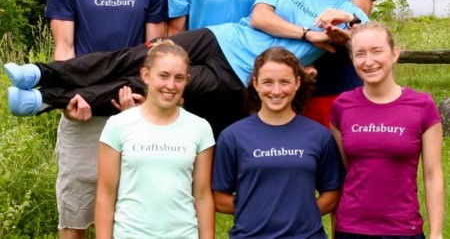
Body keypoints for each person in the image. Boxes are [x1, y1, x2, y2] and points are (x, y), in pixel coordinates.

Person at [6, 0, 368, 136]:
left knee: (152, 85)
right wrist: (308, 33)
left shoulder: (349, 12)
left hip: (239, 76)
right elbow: (260, 17)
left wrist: (339, 28)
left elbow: (365, 41)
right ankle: (38, 71)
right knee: (134, 56)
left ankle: (42, 100)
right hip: (218, 36)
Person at [41, 0, 167, 239]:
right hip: (82, 111)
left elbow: (153, 52)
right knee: (75, 215)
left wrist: (145, 101)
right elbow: (63, 49)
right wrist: (68, 101)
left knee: (135, 215)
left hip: (134, 112)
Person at [212, 46, 345, 238]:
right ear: (256, 84)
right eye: (267, 82)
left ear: (297, 83)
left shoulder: (319, 135)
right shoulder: (232, 136)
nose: (276, 91)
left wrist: (301, 213)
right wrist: (260, 210)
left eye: (284, 82)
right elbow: (219, 198)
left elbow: (332, 194)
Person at [330, 21, 444, 239]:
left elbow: (432, 175)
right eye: (360, 53)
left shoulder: (422, 106)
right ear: (352, 59)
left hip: (404, 229)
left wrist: (436, 233)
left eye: (377, 51)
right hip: (351, 229)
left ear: (394, 54)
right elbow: (346, 170)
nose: (369, 61)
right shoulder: (341, 107)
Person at [95, 40, 215, 239]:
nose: (171, 85)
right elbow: (105, 194)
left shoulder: (200, 128)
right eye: (163, 76)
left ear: (187, 80)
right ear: (146, 75)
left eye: (179, 78)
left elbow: (203, 196)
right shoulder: (118, 125)